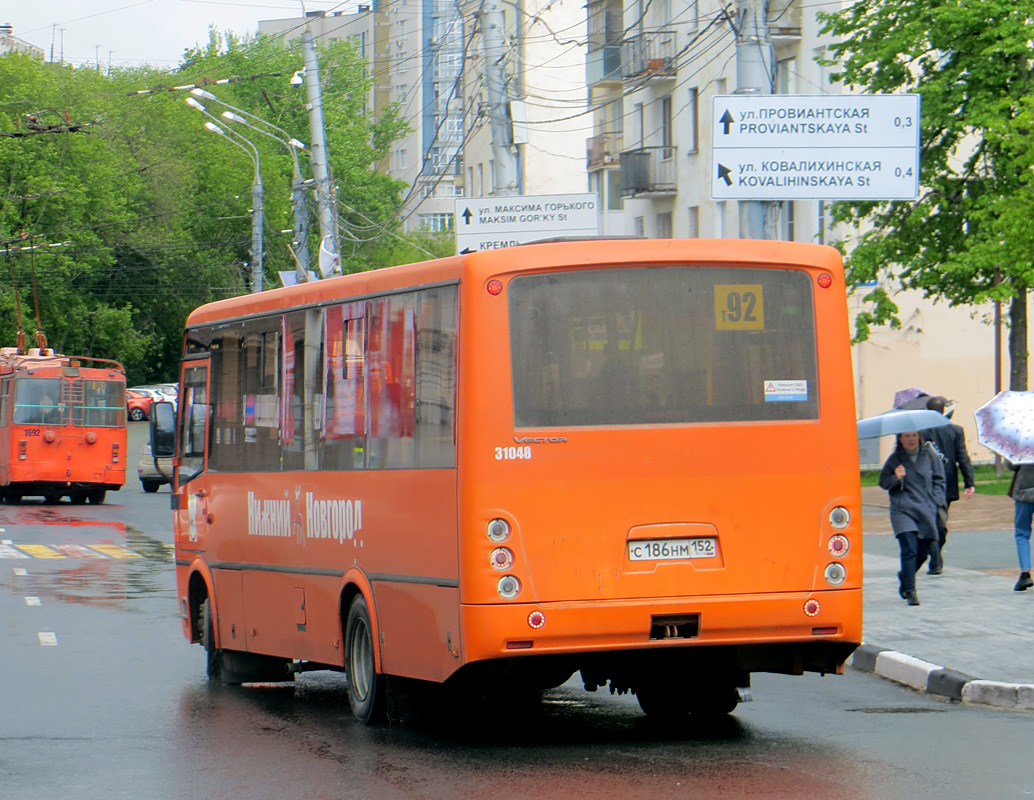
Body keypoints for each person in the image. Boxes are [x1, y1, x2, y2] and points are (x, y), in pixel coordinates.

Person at [879, 430, 946, 605]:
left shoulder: (930, 455)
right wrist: (896, 477)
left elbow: (940, 479)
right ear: (900, 439)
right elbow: (883, 482)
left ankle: (905, 576)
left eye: (914, 435)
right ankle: (910, 591)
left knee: (923, 552)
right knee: (909, 548)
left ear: (919, 437)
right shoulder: (895, 458)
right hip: (903, 510)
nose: (911, 439)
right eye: (907, 436)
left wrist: (936, 499)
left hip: (925, 509)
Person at [923, 396, 975, 573]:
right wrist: (969, 482)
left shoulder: (920, 431)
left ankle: (936, 558)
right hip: (948, 482)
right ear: (943, 410)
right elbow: (963, 457)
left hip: (927, 482)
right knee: (940, 520)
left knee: (932, 522)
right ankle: (936, 559)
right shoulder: (956, 430)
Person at [1007, 462, 1034, 591]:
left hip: (1024, 493)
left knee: (1022, 533)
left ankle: (1025, 573)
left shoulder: (1022, 445)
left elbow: (1011, 465)